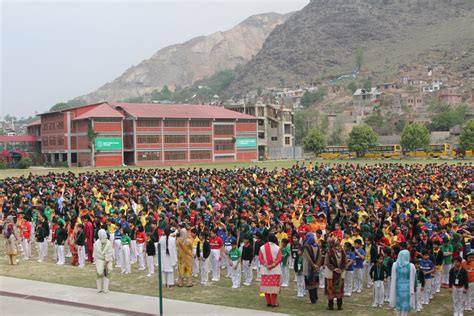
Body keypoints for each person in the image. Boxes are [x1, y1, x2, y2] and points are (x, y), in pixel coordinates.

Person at [389, 249, 416, 316]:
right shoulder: (395, 265)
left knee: (405, 305)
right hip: (399, 287)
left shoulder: (411, 266)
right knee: (399, 304)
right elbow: (393, 277)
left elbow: (413, 277)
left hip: (406, 288)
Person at [259, 233, 282, 308]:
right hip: (275, 270)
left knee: (266, 287)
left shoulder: (262, 247)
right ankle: (273, 303)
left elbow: (260, 258)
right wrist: (273, 265)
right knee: (274, 287)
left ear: (268, 239)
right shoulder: (277, 248)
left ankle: (268, 302)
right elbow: (279, 258)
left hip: (265, 270)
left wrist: (266, 265)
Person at [324, 237, 346, 311]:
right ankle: (339, 306)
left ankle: (331, 306)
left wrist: (334, 269)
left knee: (330, 289)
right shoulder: (342, 251)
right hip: (340, 273)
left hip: (331, 273)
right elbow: (345, 262)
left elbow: (327, 262)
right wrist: (341, 269)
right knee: (339, 289)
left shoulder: (329, 252)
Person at [303, 232, 322, 304]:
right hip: (316, 267)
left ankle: (312, 299)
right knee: (315, 283)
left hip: (309, 267)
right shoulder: (317, 246)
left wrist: (313, 265)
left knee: (310, 283)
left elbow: (308, 258)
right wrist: (317, 265)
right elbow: (320, 256)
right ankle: (316, 297)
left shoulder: (306, 247)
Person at [93, 229, 113, 293]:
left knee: (107, 273)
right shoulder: (96, 243)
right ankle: (99, 288)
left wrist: (106, 261)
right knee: (99, 273)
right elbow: (95, 253)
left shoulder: (109, 243)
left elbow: (109, 252)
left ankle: (105, 289)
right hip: (99, 260)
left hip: (107, 260)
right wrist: (96, 261)